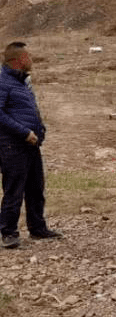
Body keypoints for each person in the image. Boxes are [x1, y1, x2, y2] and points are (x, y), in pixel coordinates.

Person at [0, 42, 61, 248]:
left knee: (36, 187)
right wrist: (24, 132)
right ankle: (9, 232)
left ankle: (38, 227)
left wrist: (39, 130)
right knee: (14, 189)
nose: (31, 59)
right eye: (28, 55)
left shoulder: (22, 82)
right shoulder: (3, 82)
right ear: (18, 60)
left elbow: (29, 110)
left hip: (31, 144)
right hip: (13, 145)